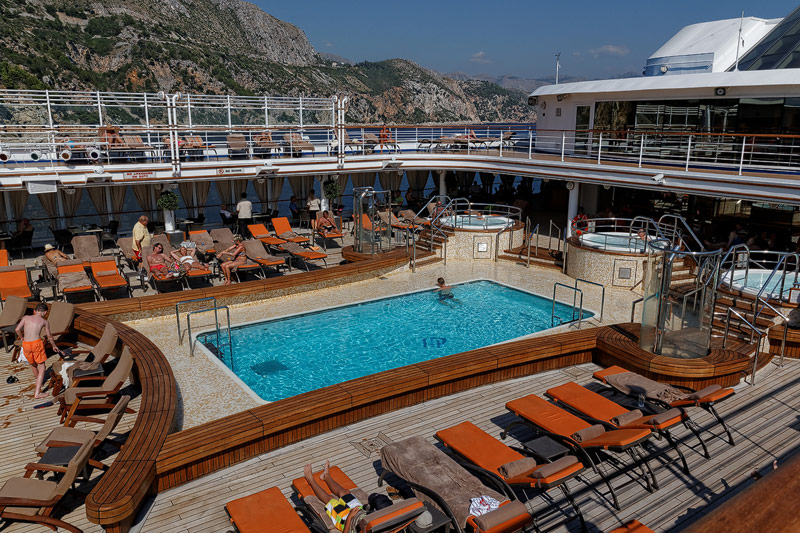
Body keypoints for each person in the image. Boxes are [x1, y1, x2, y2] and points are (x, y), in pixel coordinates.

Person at [15, 303, 63, 399]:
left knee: (33, 364)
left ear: (35, 310)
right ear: (45, 312)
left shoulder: (25, 317)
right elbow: (49, 336)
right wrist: (54, 346)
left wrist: (22, 338)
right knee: (42, 368)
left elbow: (17, 329)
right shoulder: (44, 322)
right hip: (36, 344)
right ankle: (37, 393)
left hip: (26, 344)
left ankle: (39, 383)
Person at [303, 461, 364, 532]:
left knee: (331, 500)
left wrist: (349, 517)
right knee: (345, 493)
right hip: (361, 512)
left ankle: (310, 480)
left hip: (346, 522)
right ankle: (326, 476)